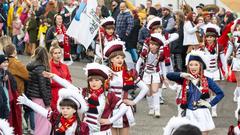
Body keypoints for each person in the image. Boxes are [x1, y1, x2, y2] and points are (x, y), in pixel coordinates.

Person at [43, 62, 129, 134]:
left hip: (102, 132)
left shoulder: (109, 95)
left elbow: (125, 107)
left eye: (96, 80)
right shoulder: (85, 93)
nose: (93, 83)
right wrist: (53, 76)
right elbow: (69, 86)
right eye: (91, 80)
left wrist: (110, 120)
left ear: (102, 82)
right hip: (86, 130)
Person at [166, 50, 224, 135]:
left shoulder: (207, 80)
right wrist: (182, 74)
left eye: (196, 65)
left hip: (202, 114)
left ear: (201, 66)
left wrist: (210, 104)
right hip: (189, 114)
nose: (193, 67)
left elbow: (220, 94)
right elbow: (169, 75)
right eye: (191, 65)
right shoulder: (185, 79)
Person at [103, 40, 149, 135]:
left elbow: (145, 88)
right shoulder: (105, 73)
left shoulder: (129, 73)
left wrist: (133, 102)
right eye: (117, 57)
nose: (120, 60)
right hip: (109, 110)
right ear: (111, 59)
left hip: (123, 109)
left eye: (122, 57)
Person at [17, 87, 89, 134]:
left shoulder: (82, 127)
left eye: (68, 108)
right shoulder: (56, 118)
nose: (65, 111)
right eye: (62, 108)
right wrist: (28, 102)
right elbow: (42, 111)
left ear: (74, 110)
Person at [136, 33, 166, 117]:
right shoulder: (145, 53)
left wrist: (165, 76)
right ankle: (151, 108)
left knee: (155, 91)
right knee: (148, 93)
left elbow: (163, 66)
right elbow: (138, 63)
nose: (151, 46)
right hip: (146, 74)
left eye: (154, 45)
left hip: (155, 73)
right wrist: (137, 74)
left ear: (158, 46)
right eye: (150, 44)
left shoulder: (160, 55)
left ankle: (157, 110)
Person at [200, 23, 227, 117]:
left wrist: (226, 71)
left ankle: (214, 110)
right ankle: (208, 107)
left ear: (215, 37)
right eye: (207, 37)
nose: (209, 39)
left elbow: (223, 60)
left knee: (215, 91)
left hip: (216, 72)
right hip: (206, 72)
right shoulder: (202, 47)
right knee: (207, 91)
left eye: (211, 37)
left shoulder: (219, 46)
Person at [25, 47, 52, 135]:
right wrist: (47, 102)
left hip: (33, 95)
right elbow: (42, 87)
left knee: (38, 120)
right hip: (40, 97)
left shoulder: (32, 66)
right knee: (42, 122)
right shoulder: (41, 68)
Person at [49, 44, 72, 110]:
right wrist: (62, 81)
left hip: (64, 94)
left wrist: (67, 82)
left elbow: (69, 79)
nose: (58, 55)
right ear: (52, 55)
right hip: (53, 95)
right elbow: (48, 82)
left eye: (59, 53)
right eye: (55, 53)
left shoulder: (65, 66)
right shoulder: (48, 66)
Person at [226, 18, 240, 102]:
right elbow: (229, 50)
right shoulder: (233, 36)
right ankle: (238, 96)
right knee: (239, 80)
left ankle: (236, 93)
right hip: (237, 60)